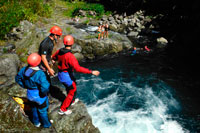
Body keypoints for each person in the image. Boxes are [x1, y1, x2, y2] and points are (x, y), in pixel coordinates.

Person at [52, 35, 100, 115]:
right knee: (72, 91)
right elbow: (78, 68)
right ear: (72, 43)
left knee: (70, 87)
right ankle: (63, 109)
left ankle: (72, 101)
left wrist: (53, 61)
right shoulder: (70, 56)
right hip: (66, 75)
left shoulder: (60, 51)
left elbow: (54, 57)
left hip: (61, 74)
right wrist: (91, 72)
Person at [15, 53, 51, 128]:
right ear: (38, 62)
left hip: (30, 94)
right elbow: (45, 86)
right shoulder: (40, 74)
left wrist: (24, 85)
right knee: (42, 111)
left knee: (34, 108)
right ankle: (46, 125)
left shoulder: (24, 69)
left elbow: (17, 78)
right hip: (39, 96)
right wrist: (44, 93)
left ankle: (36, 123)